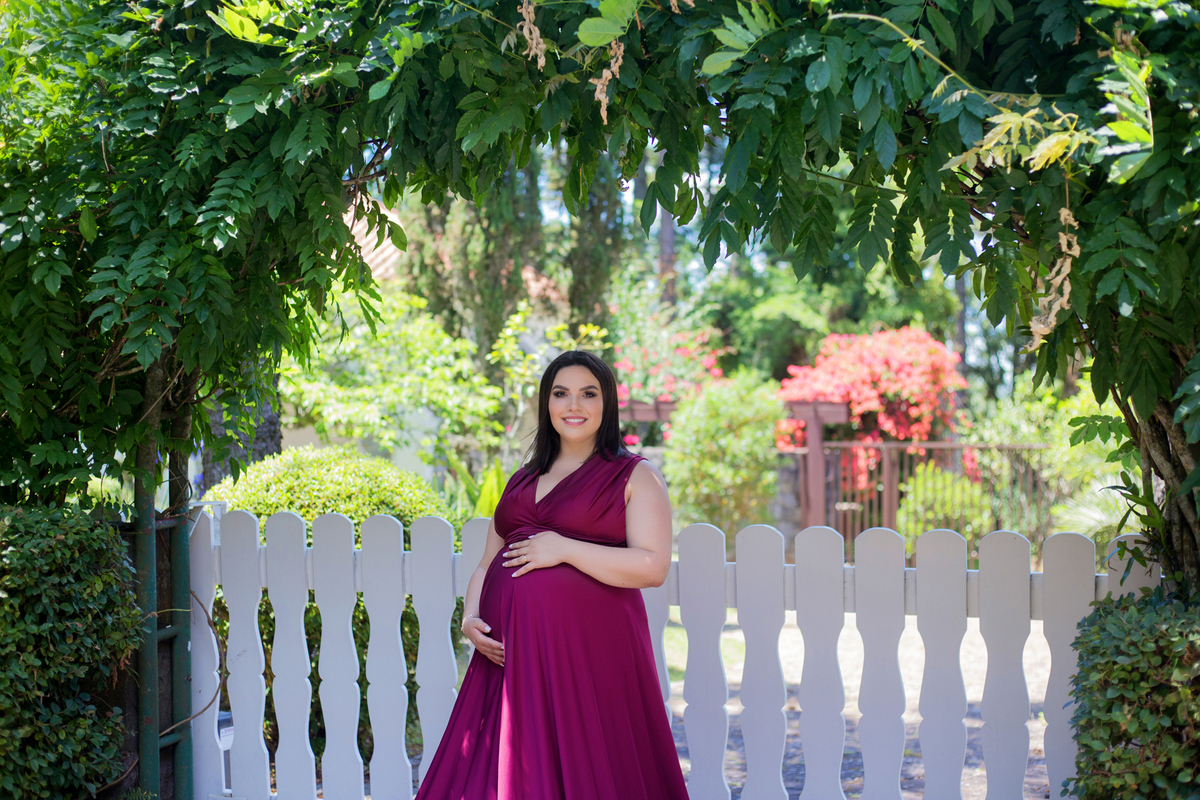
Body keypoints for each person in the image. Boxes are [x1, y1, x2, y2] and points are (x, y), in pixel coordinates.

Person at [415, 350, 689, 800]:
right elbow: (488, 562)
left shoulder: (635, 476)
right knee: (505, 772)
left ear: (608, 404)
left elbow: (653, 566)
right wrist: (470, 618)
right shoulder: (522, 479)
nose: (573, 405)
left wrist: (563, 549)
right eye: (561, 394)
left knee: (595, 768)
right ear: (547, 404)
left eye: (588, 394)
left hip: (592, 654)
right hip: (510, 658)